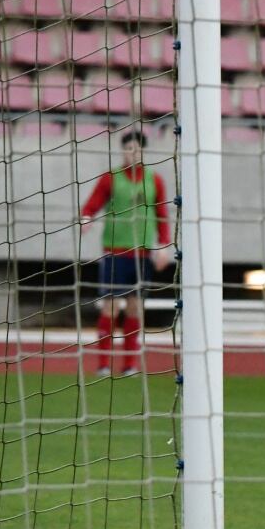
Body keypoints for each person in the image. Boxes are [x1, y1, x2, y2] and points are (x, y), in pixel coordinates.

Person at [80, 130, 172, 377]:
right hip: (115, 253)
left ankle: (130, 364)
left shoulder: (155, 181)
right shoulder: (111, 178)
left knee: (134, 308)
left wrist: (164, 245)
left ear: (143, 152)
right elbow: (92, 203)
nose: (132, 154)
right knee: (110, 307)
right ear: (122, 151)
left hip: (141, 254)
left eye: (136, 149)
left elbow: (162, 216)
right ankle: (103, 363)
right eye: (128, 149)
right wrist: (86, 218)